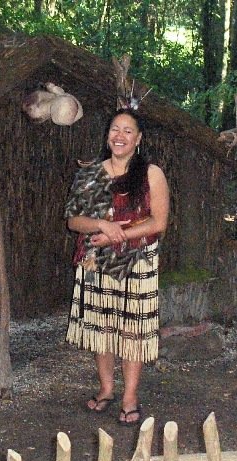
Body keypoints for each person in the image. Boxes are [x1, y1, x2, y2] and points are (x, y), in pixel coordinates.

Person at [64, 108, 169, 426]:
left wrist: (116, 234)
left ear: (138, 139)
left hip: (137, 262)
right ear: (107, 135)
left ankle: (130, 396)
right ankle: (107, 388)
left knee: (132, 330)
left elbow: (158, 221)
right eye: (114, 129)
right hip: (95, 262)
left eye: (127, 131)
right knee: (102, 326)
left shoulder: (151, 174)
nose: (119, 136)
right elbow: (73, 220)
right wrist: (99, 224)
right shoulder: (90, 173)